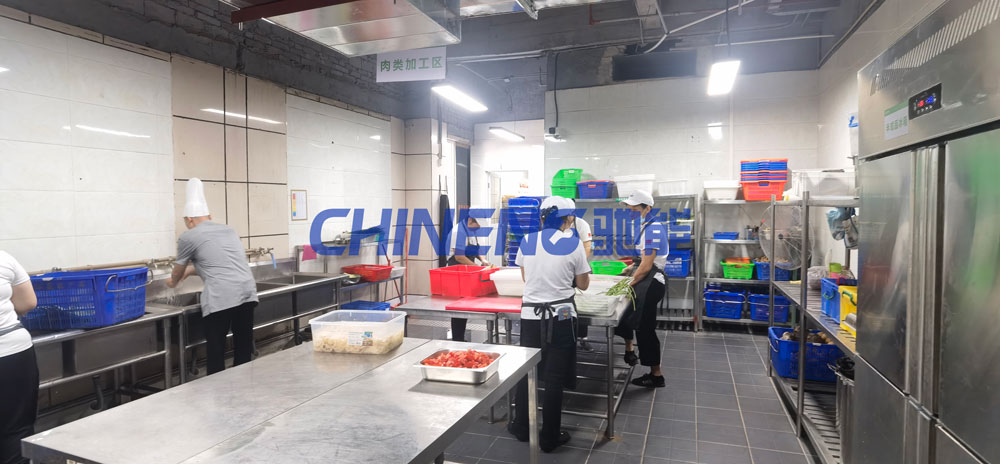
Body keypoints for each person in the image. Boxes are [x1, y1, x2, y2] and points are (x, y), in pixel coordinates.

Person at [508, 196, 591, 452]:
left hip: (531, 316)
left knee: (528, 372)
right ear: (567, 219)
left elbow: (526, 277)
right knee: (554, 378)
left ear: (542, 218)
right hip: (561, 316)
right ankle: (549, 437)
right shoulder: (573, 244)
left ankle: (521, 426)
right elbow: (583, 284)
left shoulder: (527, 240)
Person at [167, 178, 258, 375]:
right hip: (247, 292)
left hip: (222, 296)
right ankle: (244, 385)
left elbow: (177, 270)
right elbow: (220, 262)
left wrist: (173, 281)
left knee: (216, 349)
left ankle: (217, 389)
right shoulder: (229, 230)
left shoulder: (188, 236)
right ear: (208, 216)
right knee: (243, 345)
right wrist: (191, 271)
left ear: (189, 219)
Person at [614, 190, 668, 388]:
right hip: (646, 279)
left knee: (645, 329)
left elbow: (647, 266)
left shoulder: (653, 230)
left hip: (652, 284)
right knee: (626, 316)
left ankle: (656, 375)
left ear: (647, 208)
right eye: (629, 208)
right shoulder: (646, 226)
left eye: (634, 209)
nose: (630, 212)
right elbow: (642, 261)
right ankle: (630, 350)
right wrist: (631, 269)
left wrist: (630, 283)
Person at [0, 251, 38, 464]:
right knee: (16, 431)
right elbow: (27, 303)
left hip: (12, 351)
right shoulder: (3, 258)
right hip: (12, 353)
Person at [446, 216, 489, 342]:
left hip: (467, 271)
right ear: (470, 220)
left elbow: (476, 249)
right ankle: (457, 339)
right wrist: (477, 267)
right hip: (457, 272)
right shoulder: (458, 232)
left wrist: (483, 260)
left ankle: (461, 337)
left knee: (465, 304)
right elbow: (459, 257)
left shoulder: (470, 230)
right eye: (477, 226)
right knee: (458, 307)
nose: (477, 229)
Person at [569, 201, 595, 351]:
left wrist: (579, 265)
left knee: (580, 302)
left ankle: (583, 338)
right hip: (561, 269)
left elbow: (587, 246)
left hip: (578, 268)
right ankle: (568, 337)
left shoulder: (581, 224)